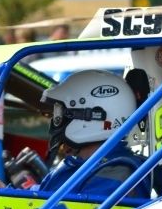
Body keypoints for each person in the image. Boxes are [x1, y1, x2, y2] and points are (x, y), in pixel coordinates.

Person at [33, 69, 151, 198]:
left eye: (62, 112)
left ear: (94, 116)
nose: (57, 120)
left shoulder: (117, 173)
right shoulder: (74, 165)